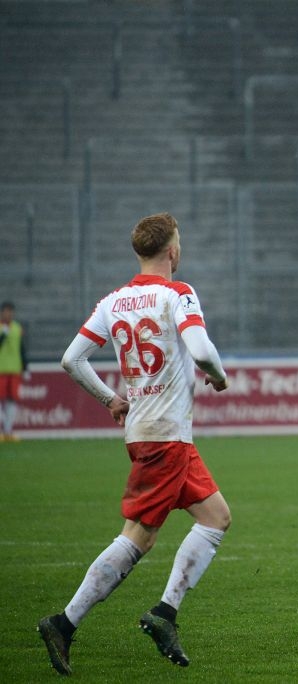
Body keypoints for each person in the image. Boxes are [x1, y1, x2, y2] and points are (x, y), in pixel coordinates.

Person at [37, 213, 231, 676]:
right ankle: (63, 622)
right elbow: (201, 350)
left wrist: (110, 398)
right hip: (164, 438)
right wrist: (218, 377)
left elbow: (71, 359)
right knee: (138, 538)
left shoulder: (114, 301)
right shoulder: (177, 293)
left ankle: (164, 613)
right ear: (173, 251)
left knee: (216, 517)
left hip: (156, 433)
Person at [0, 301, 28, 441]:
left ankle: (8, 431)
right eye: (6, 311)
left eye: (10, 311)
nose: (8, 314)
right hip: (1, 370)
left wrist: (25, 367)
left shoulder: (17, 328)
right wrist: (3, 336)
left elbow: (22, 349)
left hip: (14, 369)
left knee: (12, 400)